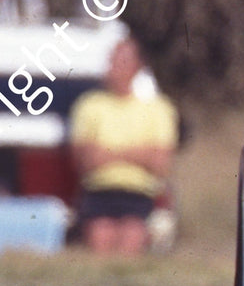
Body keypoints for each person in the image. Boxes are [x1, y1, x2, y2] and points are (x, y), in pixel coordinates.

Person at [70, 34, 179, 255]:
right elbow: (86, 159)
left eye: (122, 62)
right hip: (99, 191)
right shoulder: (89, 106)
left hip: (139, 193)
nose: (115, 68)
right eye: (113, 61)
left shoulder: (157, 109)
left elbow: (160, 163)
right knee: (100, 241)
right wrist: (137, 154)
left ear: (137, 66)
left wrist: (108, 154)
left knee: (131, 240)